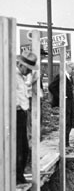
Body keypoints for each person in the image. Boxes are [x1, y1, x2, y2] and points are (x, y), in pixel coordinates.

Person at [16, 50, 39, 184]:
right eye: (28, 70)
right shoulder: (12, 76)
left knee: (23, 147)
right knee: (19, 147)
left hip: (21, 113)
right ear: (22, 65)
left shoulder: (19, 76)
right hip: (15, 113)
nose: (29, 72)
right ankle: (17, 177)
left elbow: (22, 91)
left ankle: (19, 175)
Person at [48, 62, 74, 146]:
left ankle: (66, 141)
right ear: (68, 67)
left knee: (70, 121)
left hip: (70, 102)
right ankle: (64, 143)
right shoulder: (61, 76)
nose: (73, 71)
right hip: (65, 102)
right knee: (66, 121)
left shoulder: (69, 77)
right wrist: (60, 97)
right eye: (72, 69)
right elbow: (51, 87)